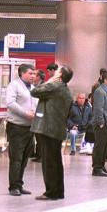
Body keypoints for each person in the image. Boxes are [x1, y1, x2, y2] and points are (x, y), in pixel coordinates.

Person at [30, 65, 74, 200]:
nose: (54, 73)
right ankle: (59, 191)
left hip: (48, 129)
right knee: (56, 162)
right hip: (57, 129)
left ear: (59, 76)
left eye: (57, 71)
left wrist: (51, 80)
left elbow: (35, 91)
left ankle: (51, 192)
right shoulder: (66, 90)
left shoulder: (54, 86)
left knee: (49, 162)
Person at [5, 64, 36, 197]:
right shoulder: (14, 85)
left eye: (34, 74)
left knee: (24, 158)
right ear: (22, 73)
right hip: (16, 126)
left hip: (30, 128)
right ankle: (13, 187)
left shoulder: (33, 88)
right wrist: (25, 114)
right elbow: (10, 103)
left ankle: (19, 184)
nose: (33, 76)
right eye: (30, 73)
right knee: (16, 158)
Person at [91, 70, 107, 177]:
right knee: (100, 147)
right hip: (103, 124)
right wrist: (101, 123)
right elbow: (98, 109)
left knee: (105, 147)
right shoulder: (99, 91)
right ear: (105, 80)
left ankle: (102, 166)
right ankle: (96, 168)